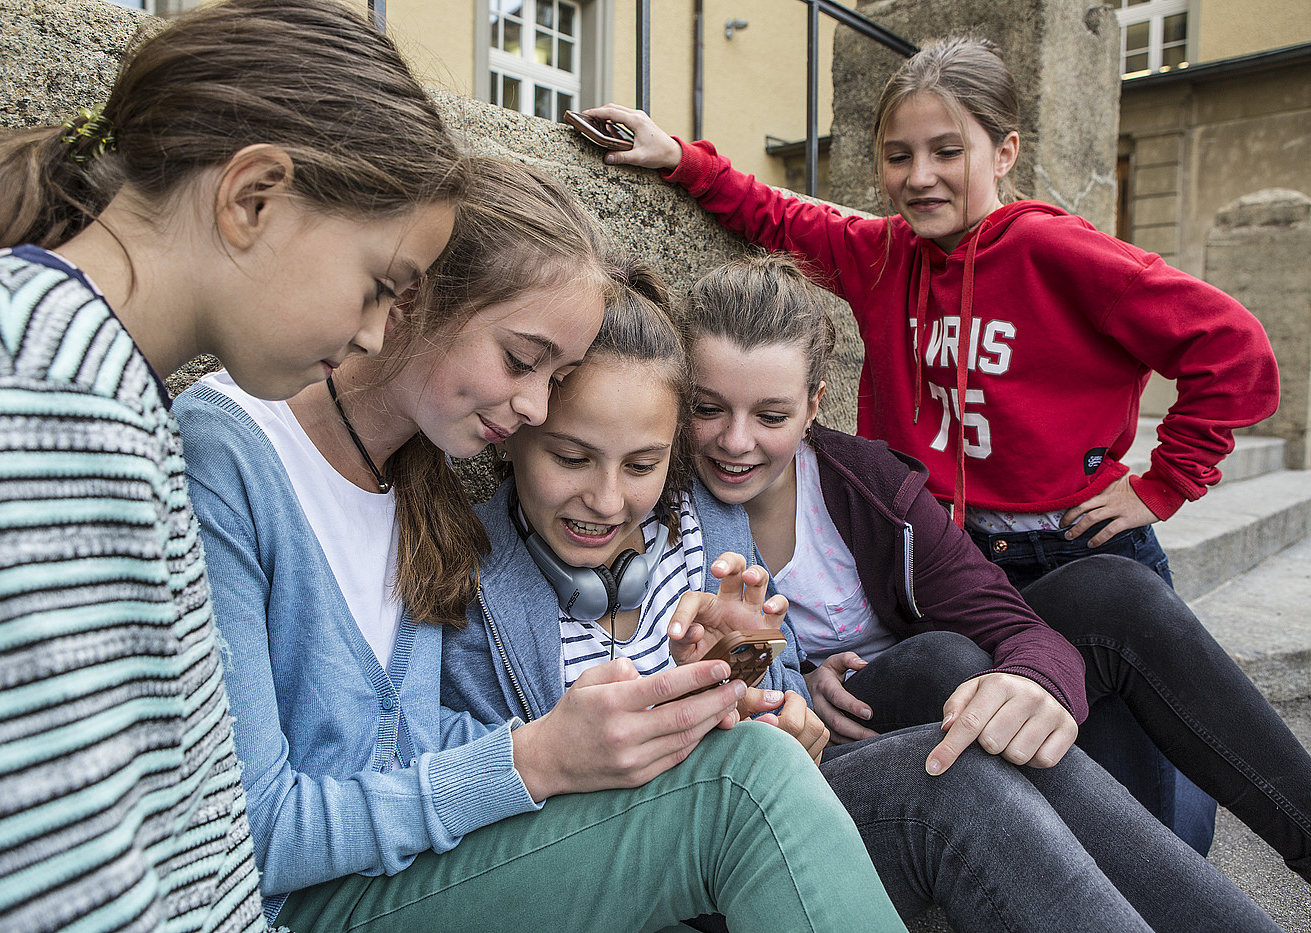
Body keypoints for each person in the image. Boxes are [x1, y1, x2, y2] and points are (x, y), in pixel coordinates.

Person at [582, 34, 1283, 855]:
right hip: (956, 545)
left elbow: (1234, 349)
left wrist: (1165, 482)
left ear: (1005, 150)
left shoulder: (1059, 252)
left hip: (1071, 539)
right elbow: (777, 215)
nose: (919, 176)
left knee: (1149, 762)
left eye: (947, 151)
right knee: (1024, 734)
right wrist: (681, 161)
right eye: (897, 154)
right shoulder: (881, 256)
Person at [439, 253, 1283, 933]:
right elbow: (478, 808)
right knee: (954, 768)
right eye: (571, 457)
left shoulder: (700, 521)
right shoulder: (467, 576)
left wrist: (765, 690)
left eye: (641, 463)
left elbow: (772, 692)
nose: (608, 499)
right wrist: (574, 742)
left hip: (765, 810)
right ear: (517, 432)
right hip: (637, 859)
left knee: (970, 744)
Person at [175, 157, 904, 933]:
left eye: (551, 377)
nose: (528, 405)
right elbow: (246, 835)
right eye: (522, 362)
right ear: (416, 295)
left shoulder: (416, 478)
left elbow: (420, 743)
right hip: (310, 901)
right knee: (747, 784)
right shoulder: (231, 449)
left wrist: (671, 707)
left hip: (426, 868)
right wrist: (535, 756)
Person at [0, 1, 463, 931]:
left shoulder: (88, 375)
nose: (375, 331)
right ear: (253, 196)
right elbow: (48, 870)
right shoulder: (49, 392)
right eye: (380, 285)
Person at [678, 252, 1311, 933]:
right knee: (951, 661)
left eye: (770, 414)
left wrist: (1033, 679)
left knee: (1114, 593)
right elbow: (734, 681)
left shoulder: (867, 484)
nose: (736, 441)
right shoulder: (669, 506)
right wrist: (791, 680)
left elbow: (1011, 620)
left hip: (937, 691)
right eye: (709, 409)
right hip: (841, 738)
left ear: (815, 404)